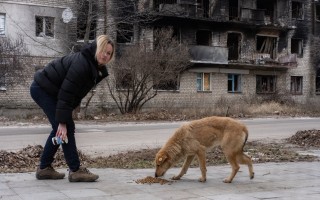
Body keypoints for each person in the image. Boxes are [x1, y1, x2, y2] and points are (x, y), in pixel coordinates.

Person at [30, 35, 114, 182]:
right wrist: (63, 120)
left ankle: (44, 167)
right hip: (42, 89)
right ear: (96, 49)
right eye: (103, 51)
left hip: (53, 92)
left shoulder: (93, 67)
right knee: (64, 127)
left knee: (62, 129)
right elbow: (67, 92)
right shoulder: (82, 64)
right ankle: (75, 170)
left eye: (109, 53)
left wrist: (65, 116)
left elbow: (74, 94)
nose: (105, 55)